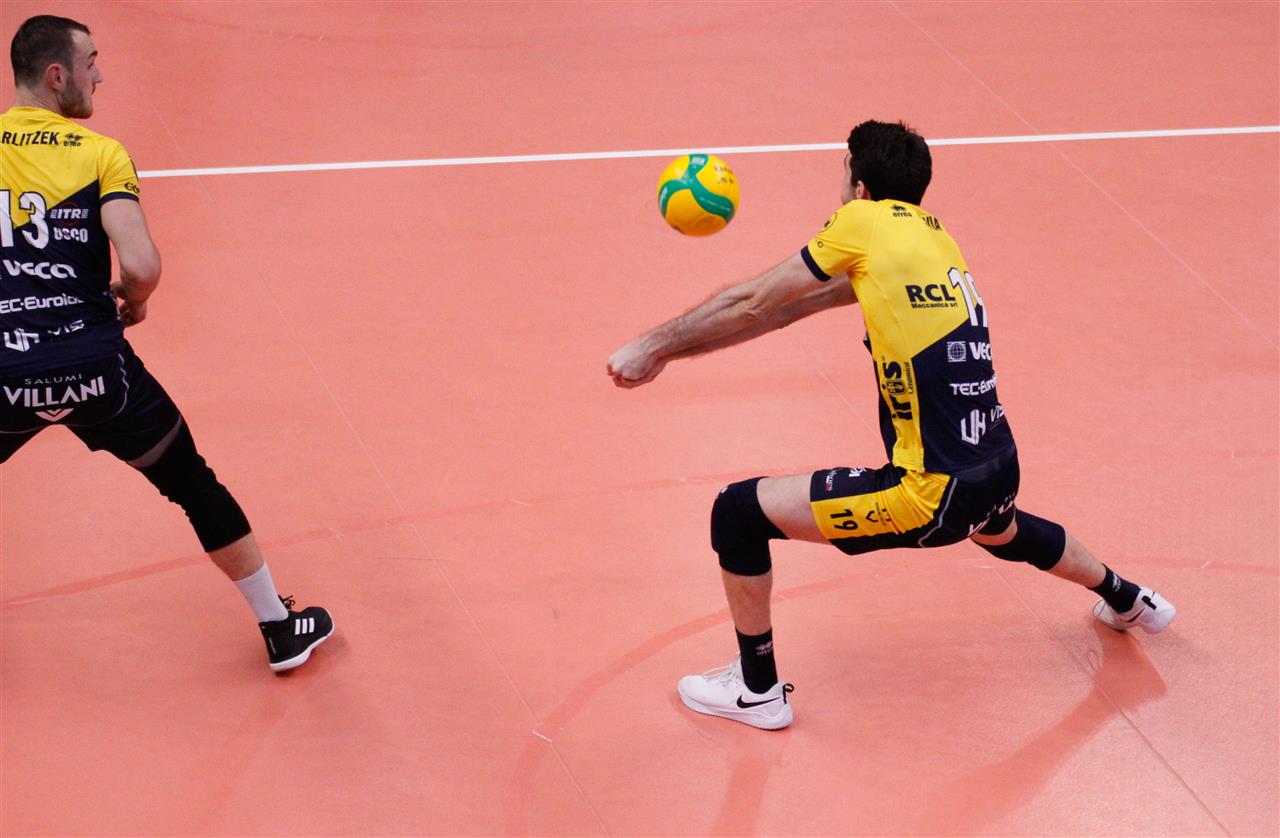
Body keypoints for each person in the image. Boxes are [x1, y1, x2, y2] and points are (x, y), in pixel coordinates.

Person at [607, 120, 1175, 730]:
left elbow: (752, 302)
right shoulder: (931, 240)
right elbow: (781, 312)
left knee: (737, 513)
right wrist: (669, 356)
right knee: (1001, 531)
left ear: (859, 186)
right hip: (995, 464)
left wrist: (650, 344)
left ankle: (757, 691)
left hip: (929, 492)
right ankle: (1128, 599)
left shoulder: (863, 223)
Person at [1, 15, 332, 672]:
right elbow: (142, 263)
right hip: (98, 372)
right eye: (91, 62)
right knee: (190, 481)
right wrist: (136, 298)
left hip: (4, 370)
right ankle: (278, 627)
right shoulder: (100, 154)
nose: (100, 74)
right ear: (56, 75)